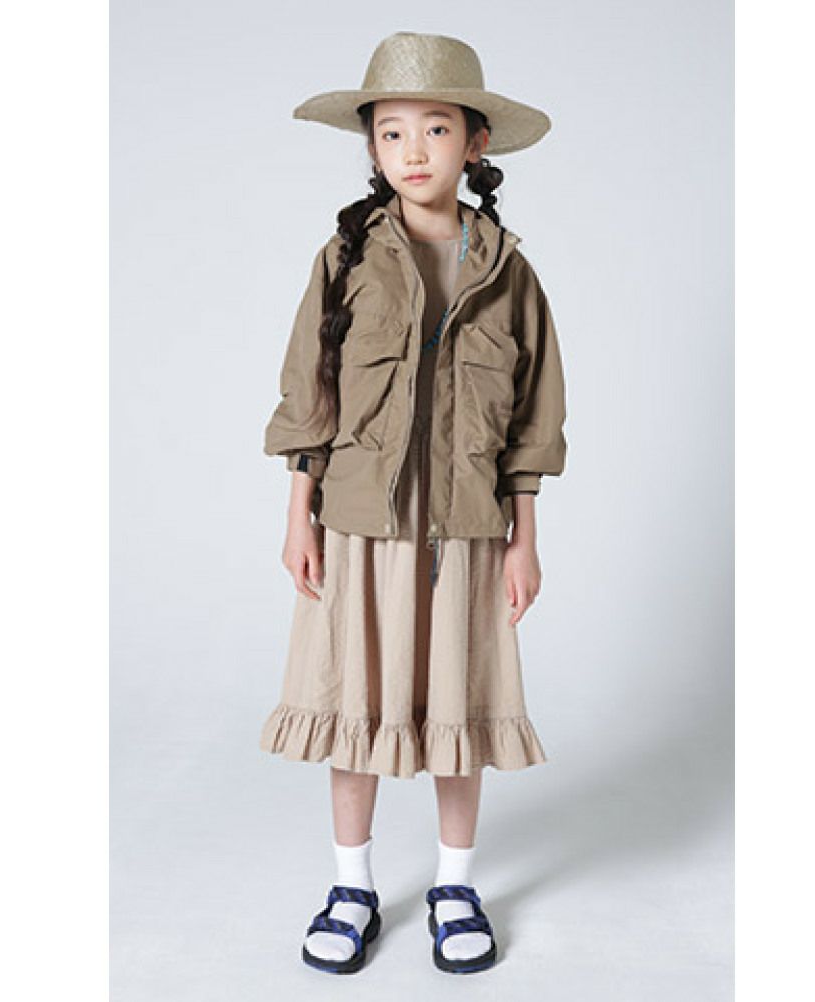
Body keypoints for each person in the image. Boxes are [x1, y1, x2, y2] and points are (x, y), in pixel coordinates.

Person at [259, 31, 567, 975]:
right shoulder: (344, 259)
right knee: (353, 705)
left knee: (458, 713)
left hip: (467, 532)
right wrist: (299, 513)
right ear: (373, 148)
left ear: (476, 142)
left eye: (436, 128)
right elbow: (309, 393)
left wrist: (523, 537)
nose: (414, 150)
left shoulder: (508, 272)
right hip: (360, 526)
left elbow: (534, 416)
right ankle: (351, 885)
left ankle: (455, 885)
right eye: (391, 133)